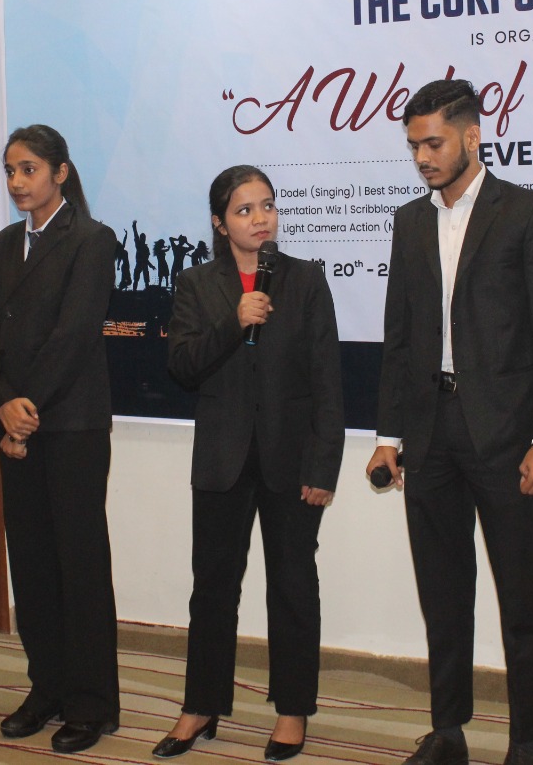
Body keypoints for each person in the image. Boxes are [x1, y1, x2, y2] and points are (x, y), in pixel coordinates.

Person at [366, 78, 533, 765]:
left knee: (520, 593)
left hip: (505, 435)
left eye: (434, 143)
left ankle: (526, 740)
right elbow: (400, 338)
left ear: (472, 136)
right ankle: (448, 731)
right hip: (429, 435)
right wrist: (388, 438)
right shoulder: (408, 221)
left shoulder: (527, 212)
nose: (423, 157)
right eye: (414, 146)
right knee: (443, 591)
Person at [154, 166, 345, 761]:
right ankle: (201, 704)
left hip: (293, 461)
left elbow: (327, 380)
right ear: (219, 222)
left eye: (267, 206)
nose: (260, 219)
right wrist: (233, 322)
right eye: (244, 210)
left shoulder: (306, 279)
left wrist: (324, 467)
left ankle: (293, 709)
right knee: (212, 588)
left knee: (293, 585)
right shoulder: (196, 283)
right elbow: (183, 366)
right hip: (223, 459)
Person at [0, 124, 122, 754]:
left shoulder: (92, 239)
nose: (16, 182)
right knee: (32, 563)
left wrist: (24, 410)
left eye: (29, 169)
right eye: (10, 170)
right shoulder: (5, 244)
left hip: (70, 424)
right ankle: (47, 688)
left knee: (78, 564)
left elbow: (74, 334)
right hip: (17, 421)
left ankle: (92, 703)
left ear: (60, 173)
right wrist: (2, 404)